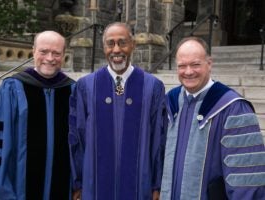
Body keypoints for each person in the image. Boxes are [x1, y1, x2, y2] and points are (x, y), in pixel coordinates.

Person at [0, 31, 75, 199]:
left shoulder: (73, 90)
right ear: (33, 51)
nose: (50, 58)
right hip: (19, 186)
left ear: (63, 55)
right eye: (44, 51)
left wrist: (79, 182)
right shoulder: (11, 88)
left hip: (63, 183)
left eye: (56, 53)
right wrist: (1, 186)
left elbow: (81, 143)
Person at [69, 22, 167, 200]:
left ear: (133, 45)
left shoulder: (152, 87)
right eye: (110, 43)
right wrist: (77, 183)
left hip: (139, 186)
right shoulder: (86, 86)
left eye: (122, 43)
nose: (116, 50)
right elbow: (77, 138)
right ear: (103, 46)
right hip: (95, 186)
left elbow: (158, 140)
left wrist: (157, 184)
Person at [160, 36, 265, 200]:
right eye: (182, 66)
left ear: (209, 64)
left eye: (195, 64)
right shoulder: (170, 102)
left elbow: (246, 178)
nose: (188, 71)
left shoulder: (233, 108)